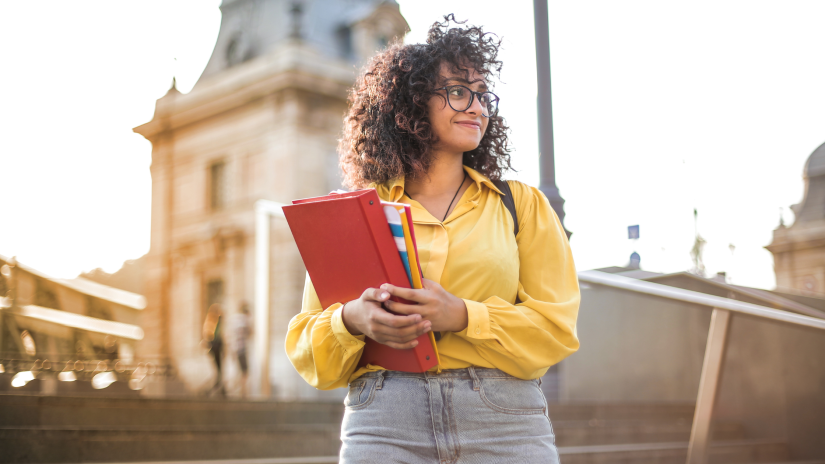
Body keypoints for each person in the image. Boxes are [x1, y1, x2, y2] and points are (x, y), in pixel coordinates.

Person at [286, 15, 580, 464]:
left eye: (483, 95)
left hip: (503, 420)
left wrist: (463, 315)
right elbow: (309, 348)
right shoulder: (358, 213)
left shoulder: (521, 205)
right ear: (411, 102)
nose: (478, 106)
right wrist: (351, 320)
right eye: (459, 91)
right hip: (384, 419)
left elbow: (556, 329)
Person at [230, 302, 252, 397]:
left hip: (234, 348)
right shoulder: (244, 320)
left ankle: (238, 390)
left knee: (239, 370)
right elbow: (250, 332)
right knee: (244, 371)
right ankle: (242, 391)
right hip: (241, 348)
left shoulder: (234, 319)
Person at [202, 303, 225, 396]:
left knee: (219, 369)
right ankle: (216, 388)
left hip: (218, 347)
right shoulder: (211, 322)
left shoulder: (217, 323)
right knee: (217, 369)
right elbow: (208, 336)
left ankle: (221, 388)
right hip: (214, 347)